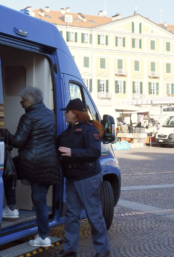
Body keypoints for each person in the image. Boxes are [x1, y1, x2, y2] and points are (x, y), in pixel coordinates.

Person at [3, 86, 60, 248]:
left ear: (28, 102)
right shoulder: (51, 115)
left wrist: (4, 131)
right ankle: (43, 236)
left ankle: (12, 208)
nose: (22, 105)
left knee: (8, 171)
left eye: (22, 103)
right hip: (49, 163)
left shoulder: (28, 117)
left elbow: (17, 142)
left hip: (31, 162)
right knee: (40, 200)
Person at [55, 99, 111, 257]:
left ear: (76, 113)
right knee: (72, 215)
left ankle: (103, 251)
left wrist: (72, 152)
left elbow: (95, 153)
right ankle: (70, 249)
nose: (65, 114)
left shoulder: (89, 130)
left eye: (68, 111)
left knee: (94, 215)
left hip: (87, 177)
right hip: (72, 178)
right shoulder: (68, 131)